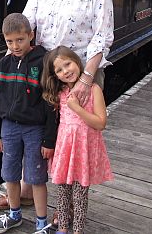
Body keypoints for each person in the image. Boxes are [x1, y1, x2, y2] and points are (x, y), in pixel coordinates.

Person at [0, 0, 114, 214]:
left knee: (73, 137)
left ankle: (68, 206)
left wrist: (86, 81)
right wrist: (8, 62)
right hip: (46, 70)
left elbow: (103, 34)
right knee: (40, 132)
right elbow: (28, 21)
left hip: (79, 72)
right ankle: (26, 190)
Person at [0, 13, 57, 234]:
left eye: (20, 39)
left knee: (36, 177)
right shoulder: (3, 64)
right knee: (10, 173)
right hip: (9, 128)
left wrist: (49, 139)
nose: (15, 45)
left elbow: (50, 104)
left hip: (34, 129)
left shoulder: (44, 62)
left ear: (31, 35)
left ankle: (41, 222)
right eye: (10, 41)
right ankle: (14, 214)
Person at [42, 46, 113, 234]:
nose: (66, 71)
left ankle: (78, 231)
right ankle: (63, 228)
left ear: (77, 62)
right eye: (59, 69)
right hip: (65, 149)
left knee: (80, 195)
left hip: (84, 149)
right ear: (55, 75)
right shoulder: (59, 93)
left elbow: (100, 123)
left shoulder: (94, 89)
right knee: (63, 193)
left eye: (68, 64)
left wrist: (77, 108)